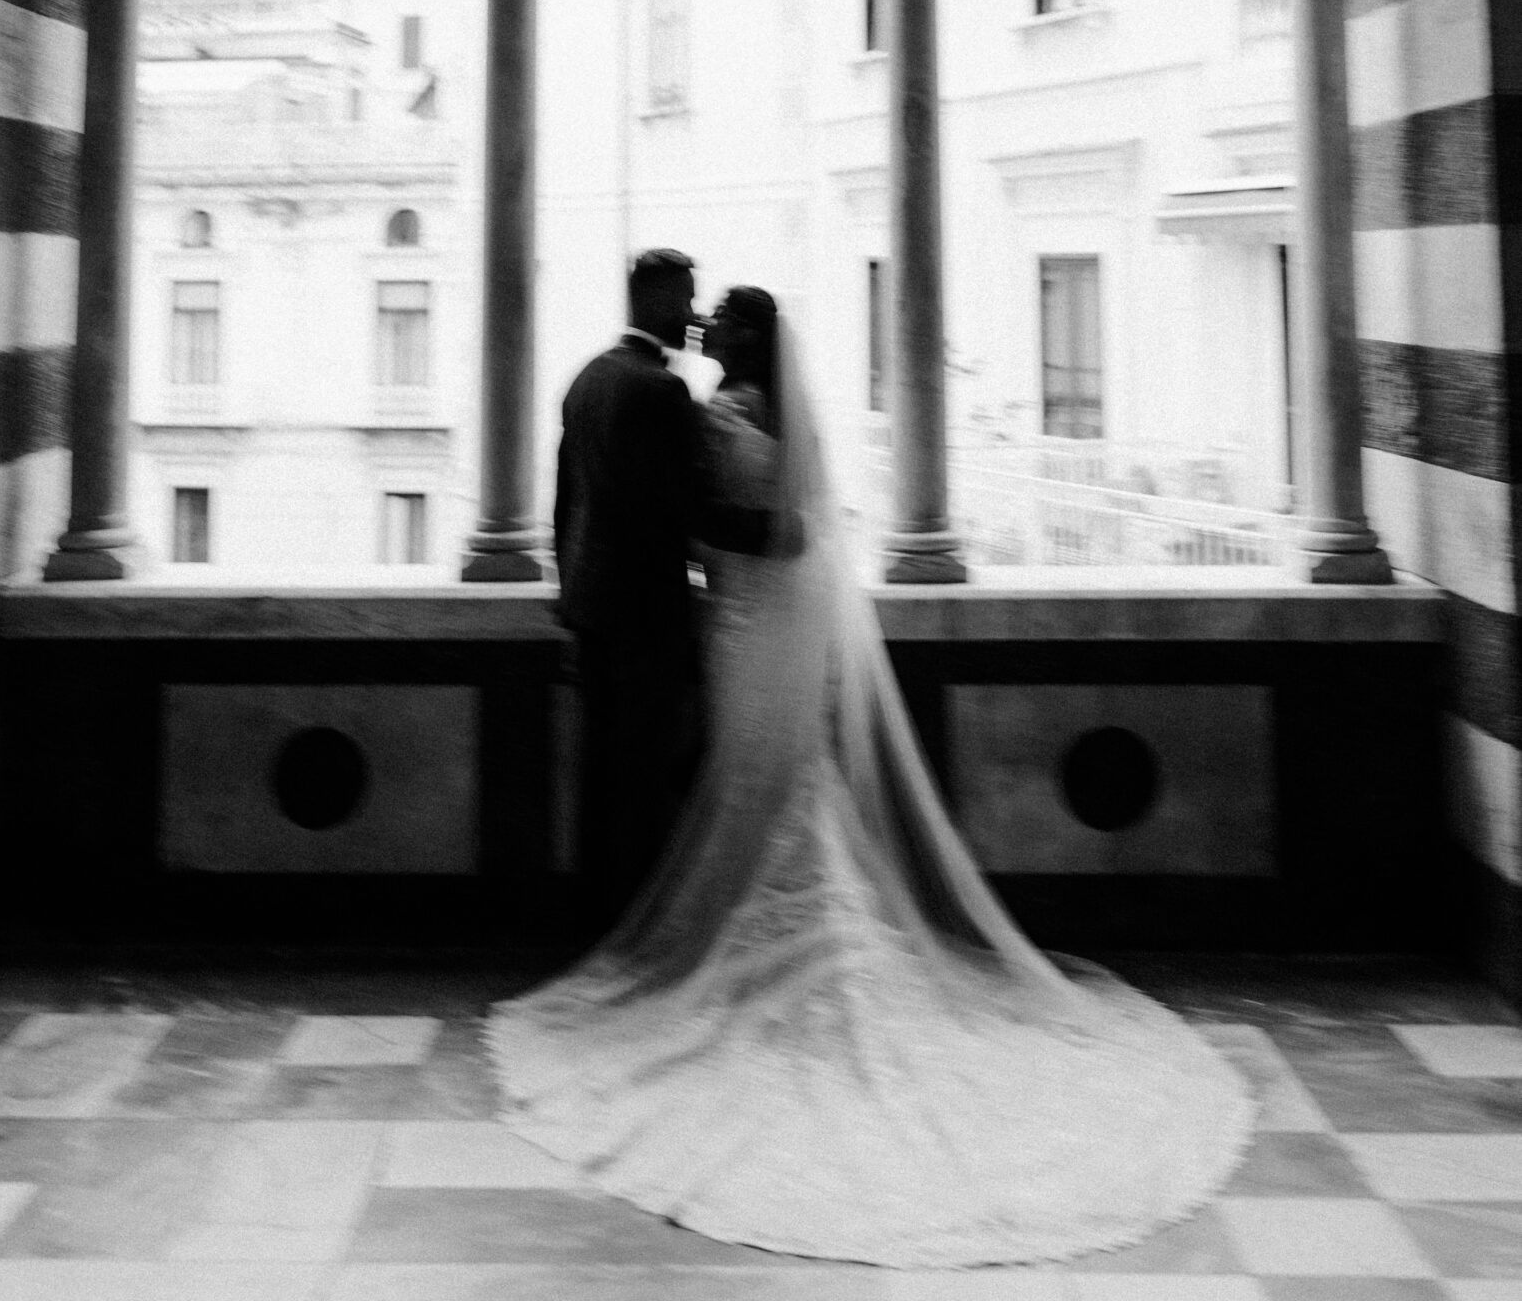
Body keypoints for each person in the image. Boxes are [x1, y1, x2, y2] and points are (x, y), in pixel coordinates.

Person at [492, 286, 1254, 1270]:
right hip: (743, 620)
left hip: (750, 618)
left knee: (763, 780)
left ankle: (774, 947)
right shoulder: (712, 403)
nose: (707, 320)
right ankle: (767, 938)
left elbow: (785, 530)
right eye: (703, 307)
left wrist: (689, 539)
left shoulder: (726, 409)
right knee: (754, 782)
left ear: (748, 338)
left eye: (723, 314)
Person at [552, 249, 803, 931]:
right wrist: (781, 536)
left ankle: (596, 918)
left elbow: (565, 504)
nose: (693, 316)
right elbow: (689, 512)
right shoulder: (659, 392)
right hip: (646, 614)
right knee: (641, 776)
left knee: (601, 772)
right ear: (657, 302)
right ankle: (635, 922)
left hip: (592, 607)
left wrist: (570, 598)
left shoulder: (587, 378)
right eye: (686, 300)